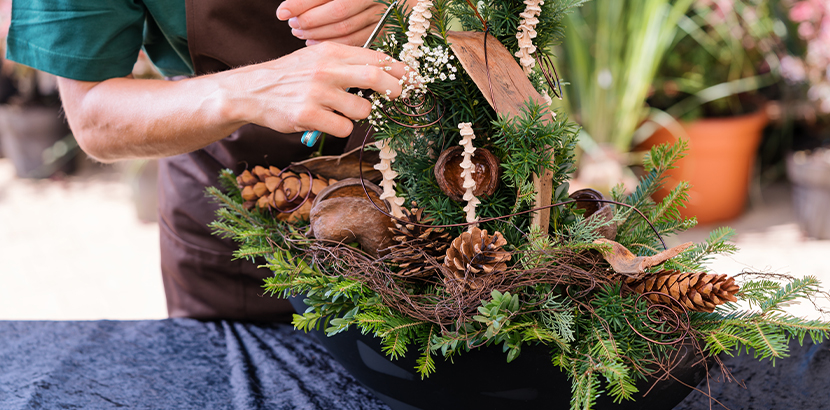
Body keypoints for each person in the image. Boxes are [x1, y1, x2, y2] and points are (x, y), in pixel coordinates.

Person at [6, 0, 407, 321]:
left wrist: (410, 9)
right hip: (242, 246)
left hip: (447, 212)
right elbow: (94, 116)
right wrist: (248, 90)